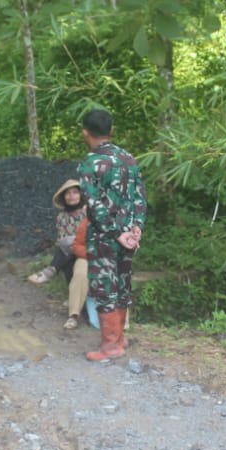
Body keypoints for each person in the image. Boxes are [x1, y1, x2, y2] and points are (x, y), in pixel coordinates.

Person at [76, 108, 146, 360]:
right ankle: (120, 338)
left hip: (104, 238)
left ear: (86, 132)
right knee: (123, 283)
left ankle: (110, 346)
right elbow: (139, 197)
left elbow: (93, 205)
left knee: (105, 287)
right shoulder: (129, 158)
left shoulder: (89, 164)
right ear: (111, 131)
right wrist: (135, 229)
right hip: (128, 236)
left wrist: (115, 232)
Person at [28, 179, 90, 330]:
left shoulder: (89, 211)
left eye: (75, 192)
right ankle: (74, 309)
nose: (71, 196)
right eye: (67, 193)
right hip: (70, 252)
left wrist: (76, 242)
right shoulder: (61, 217)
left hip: (89, 250)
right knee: (66, 252)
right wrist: (71, 243)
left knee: (67, 253)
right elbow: (62, 238)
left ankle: (51, 270)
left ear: (81, 195)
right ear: (63, 198)